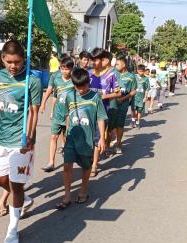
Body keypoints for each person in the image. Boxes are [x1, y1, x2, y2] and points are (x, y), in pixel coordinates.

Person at [0, 40, 42, 243]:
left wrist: (29, 137)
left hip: (20, 139)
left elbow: (34, 111)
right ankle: (24, 199)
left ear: (23, 59)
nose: (13, 66)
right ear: (2, 59)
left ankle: (12, 230)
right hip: (2, 138)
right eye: (9, 62)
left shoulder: (32, 81)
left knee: (16, 184)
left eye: (17, 62)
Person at [56, 68, 107, 209]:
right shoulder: (69, 96)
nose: (81, 90)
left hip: (87, 139)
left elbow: (101, 118)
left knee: (86, 166)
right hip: (72, 138)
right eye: (78, 87)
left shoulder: (95, 97)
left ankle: (83, 189)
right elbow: (67, 115)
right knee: (67, 166)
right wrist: (65, 135)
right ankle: (67, 195)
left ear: (88, 83)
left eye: (84, 86)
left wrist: (102, 138)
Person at [89, 48, 121, 176]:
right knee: (88, 138)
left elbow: (118, 93)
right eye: (92, 60)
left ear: (103, 60)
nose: (93, 62)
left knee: (97, 138)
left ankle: (94, 165)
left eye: (96, 60)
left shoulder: (111, 75)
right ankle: (90, 158)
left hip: (102, 113)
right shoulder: (88, 74)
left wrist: (104, 96)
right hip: (87, 112)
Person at [40, 56, 75, 172]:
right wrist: (44, 104)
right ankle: (51, 162)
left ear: (71, 69)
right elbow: (52, 93)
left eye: (67, 69)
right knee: (53, 137)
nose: (65, 71)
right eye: (63, 68)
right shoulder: (56, 78)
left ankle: (68, 159)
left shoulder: (75, 80)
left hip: (69, 115)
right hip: (57, 114)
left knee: (66, 138)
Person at [109, 55, 137, 154]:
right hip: (111, 103)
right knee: (110, 124)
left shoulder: (131, 76)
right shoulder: (113, 72)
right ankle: (109, 143)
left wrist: (124, 99)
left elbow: (134, 91)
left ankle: (119, 144)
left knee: (120, 125)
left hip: (123, 104)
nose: (115, 65)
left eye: (117, 64)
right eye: (115, 64)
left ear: (124, 64)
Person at [131, 64, 149, 129]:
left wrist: (145, 97)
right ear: (137, 70)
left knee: (139, 111)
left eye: (142, 71)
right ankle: (133, 120)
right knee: (133, 110)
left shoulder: (146, 78)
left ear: (144, 71)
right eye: (139, 71)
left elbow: (147, 89)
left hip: (141, 97)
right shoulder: (134, 76)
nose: (141, 72)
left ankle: (138, 122)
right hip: (134, 96)